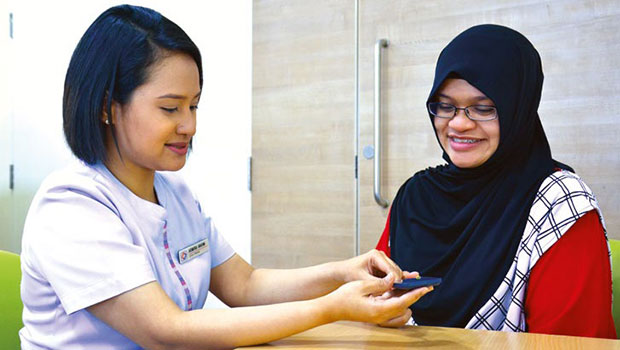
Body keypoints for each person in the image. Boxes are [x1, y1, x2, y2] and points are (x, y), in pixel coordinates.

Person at [19, 5, 433, 349]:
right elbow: (166, 332)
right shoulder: (71, 205)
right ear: (108, 106)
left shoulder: (173, 192)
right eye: (170, 108)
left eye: (194, 106)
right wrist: (334, 307)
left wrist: (341, 273)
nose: (189, 126)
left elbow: (245, 285)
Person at [375, 24, 616, 338]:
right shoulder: (414, 196)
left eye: (483, 108)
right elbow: (372, 311)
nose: (459, 124)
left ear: (519, 109)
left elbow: (569, 344)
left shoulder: (560, 205)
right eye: (445, 106)